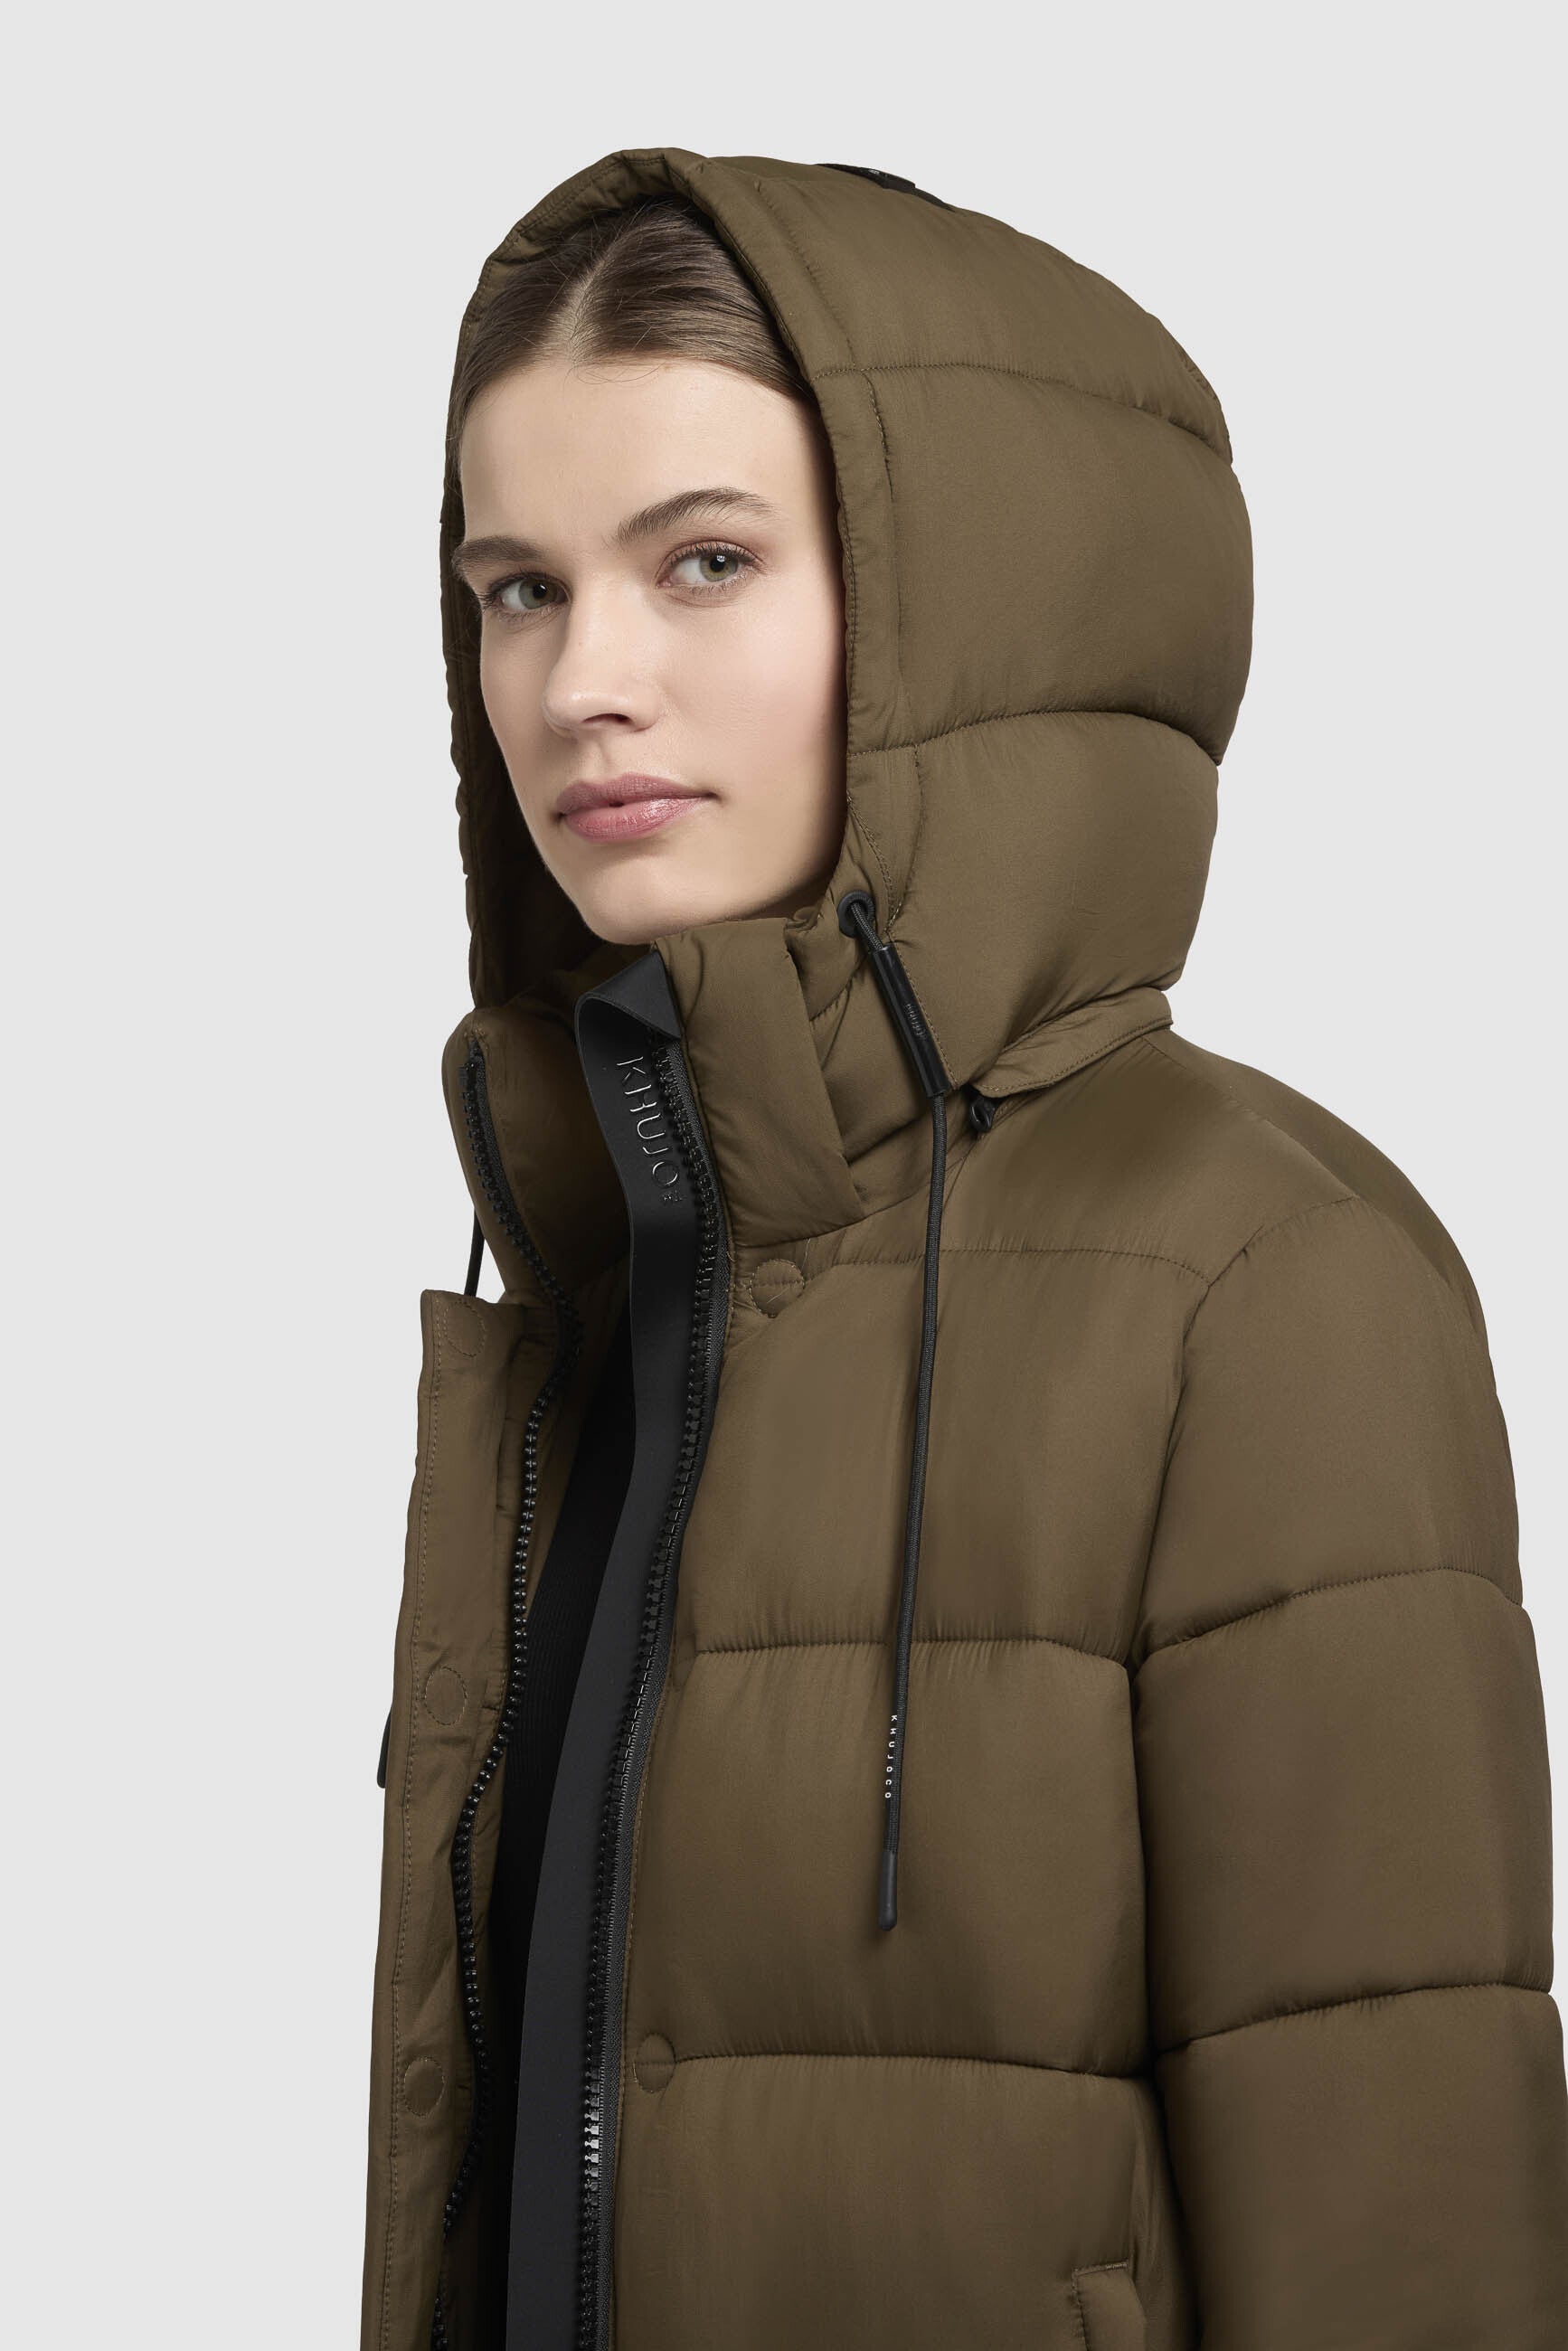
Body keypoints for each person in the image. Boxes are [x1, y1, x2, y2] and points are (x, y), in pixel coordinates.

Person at [361, 148, 1568, 2351]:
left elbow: (1403, 2227)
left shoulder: (1265, 1286)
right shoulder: (607, 1280)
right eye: (519, 587)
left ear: (960, 618)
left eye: (703, 560)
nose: (582, 680)